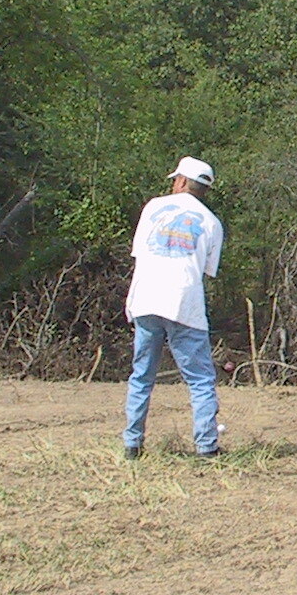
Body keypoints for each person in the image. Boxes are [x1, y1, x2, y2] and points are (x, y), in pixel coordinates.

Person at [123, 156, 224, 459]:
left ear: (180, 181)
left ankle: (132, 444)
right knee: (200, 379)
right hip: (183, 303)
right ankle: (206, 447)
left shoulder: (153, 208)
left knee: (142, 374)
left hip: (145, 298)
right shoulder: (212, 223)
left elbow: (139, 253)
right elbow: (206, 270)